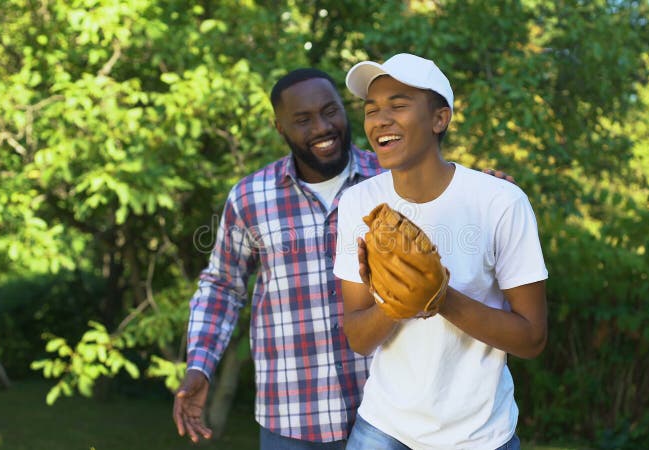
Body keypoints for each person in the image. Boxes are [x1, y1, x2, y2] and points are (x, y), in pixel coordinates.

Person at [172, 67, 517, 449]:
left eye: (331, 111)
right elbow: (222, 287)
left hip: (388, 416)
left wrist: (489, 194)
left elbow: (448, 206)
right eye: (302, 120)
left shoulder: (392, 173)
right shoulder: (250, 198)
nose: (322, 127)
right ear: (280, 127)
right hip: (292, 414)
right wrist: (199, 366)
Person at [333, 53, 548, 450]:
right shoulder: (358, 203)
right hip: (383, 429)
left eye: (398, 105)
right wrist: (395, 303)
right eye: (372, 109)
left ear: (439, 119)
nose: (380, 119)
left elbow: (532, 339)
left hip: (479, 437)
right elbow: (358, 338)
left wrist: (439, 297)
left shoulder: (500, 202)